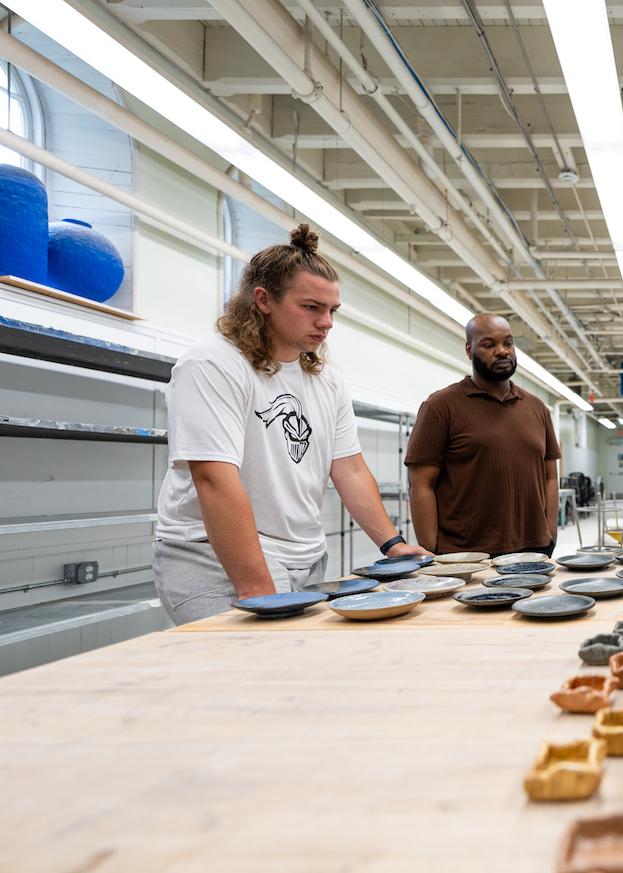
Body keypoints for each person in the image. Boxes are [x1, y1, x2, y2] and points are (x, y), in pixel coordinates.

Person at [153, 225, 431, 625]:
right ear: (263, 300)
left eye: (332, 311)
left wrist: (392, 544)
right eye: (311, 307)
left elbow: (349, 468)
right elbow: (214, 480)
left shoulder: (325, 380)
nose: (327, 322)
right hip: (214, 558)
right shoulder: (213, 365)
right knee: (240, 679)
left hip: (305, 559)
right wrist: (257, 591)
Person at [405, 313, 562, 558]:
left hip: (534, 551)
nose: (502, 351)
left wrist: (550, 533)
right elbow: (421, 484)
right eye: (489, 345)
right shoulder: (441, 406)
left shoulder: (537, 408)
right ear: (470, 350)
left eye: (508, 343)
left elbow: (550, 477)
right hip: (466, 556)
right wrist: (431, 549)